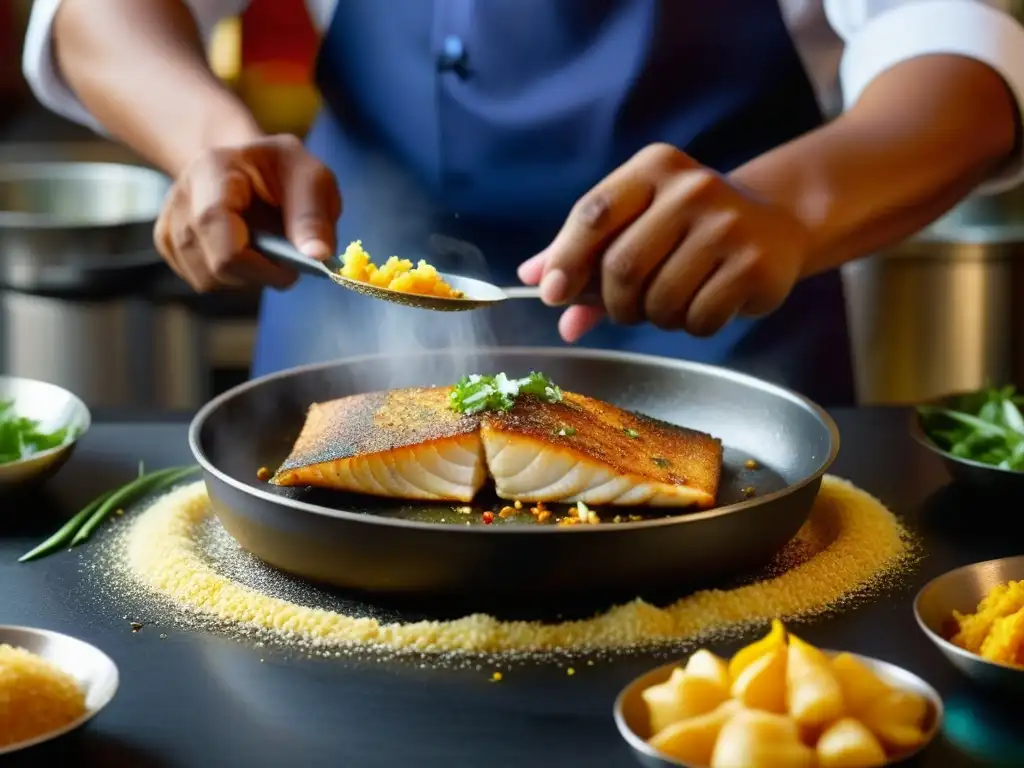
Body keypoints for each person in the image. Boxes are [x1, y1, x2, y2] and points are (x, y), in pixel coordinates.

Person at [23, 0, 1024, 406]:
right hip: (356, 314)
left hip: (717, 321)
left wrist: (790, 203)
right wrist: (211, 142)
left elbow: (960, 49)